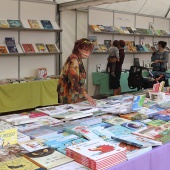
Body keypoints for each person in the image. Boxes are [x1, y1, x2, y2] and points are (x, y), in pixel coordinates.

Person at [57, 38, 96, 106]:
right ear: (79, 49)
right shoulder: (74, 60)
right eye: (86, 50)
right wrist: (87, 96)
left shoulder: (78, 59)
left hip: (74, 93)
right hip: (69, 94)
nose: (88, 53)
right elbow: (74, 82)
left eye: (89, 51)